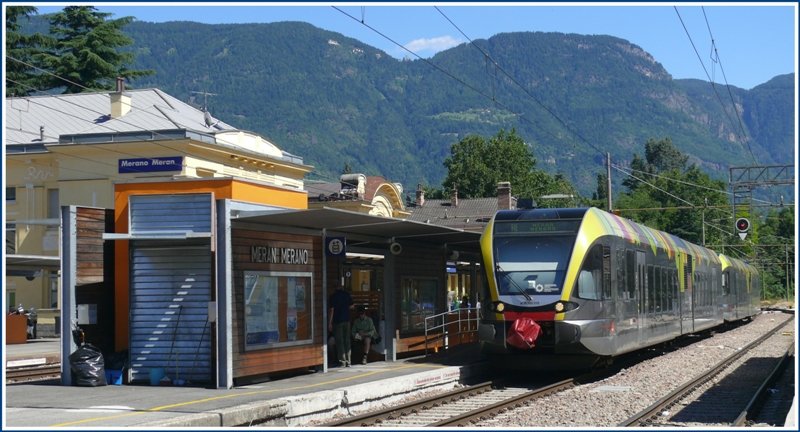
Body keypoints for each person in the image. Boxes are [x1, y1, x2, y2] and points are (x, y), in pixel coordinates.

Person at [328, 285, 353, 367]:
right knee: (347, 340)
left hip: (337, 321)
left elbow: (332, 310)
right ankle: (349, 361)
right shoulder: (347, 295)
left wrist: (330, 322)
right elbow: (352, 306)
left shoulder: (333, 296)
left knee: (340, 341)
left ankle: (343, 361)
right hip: (347, 320)